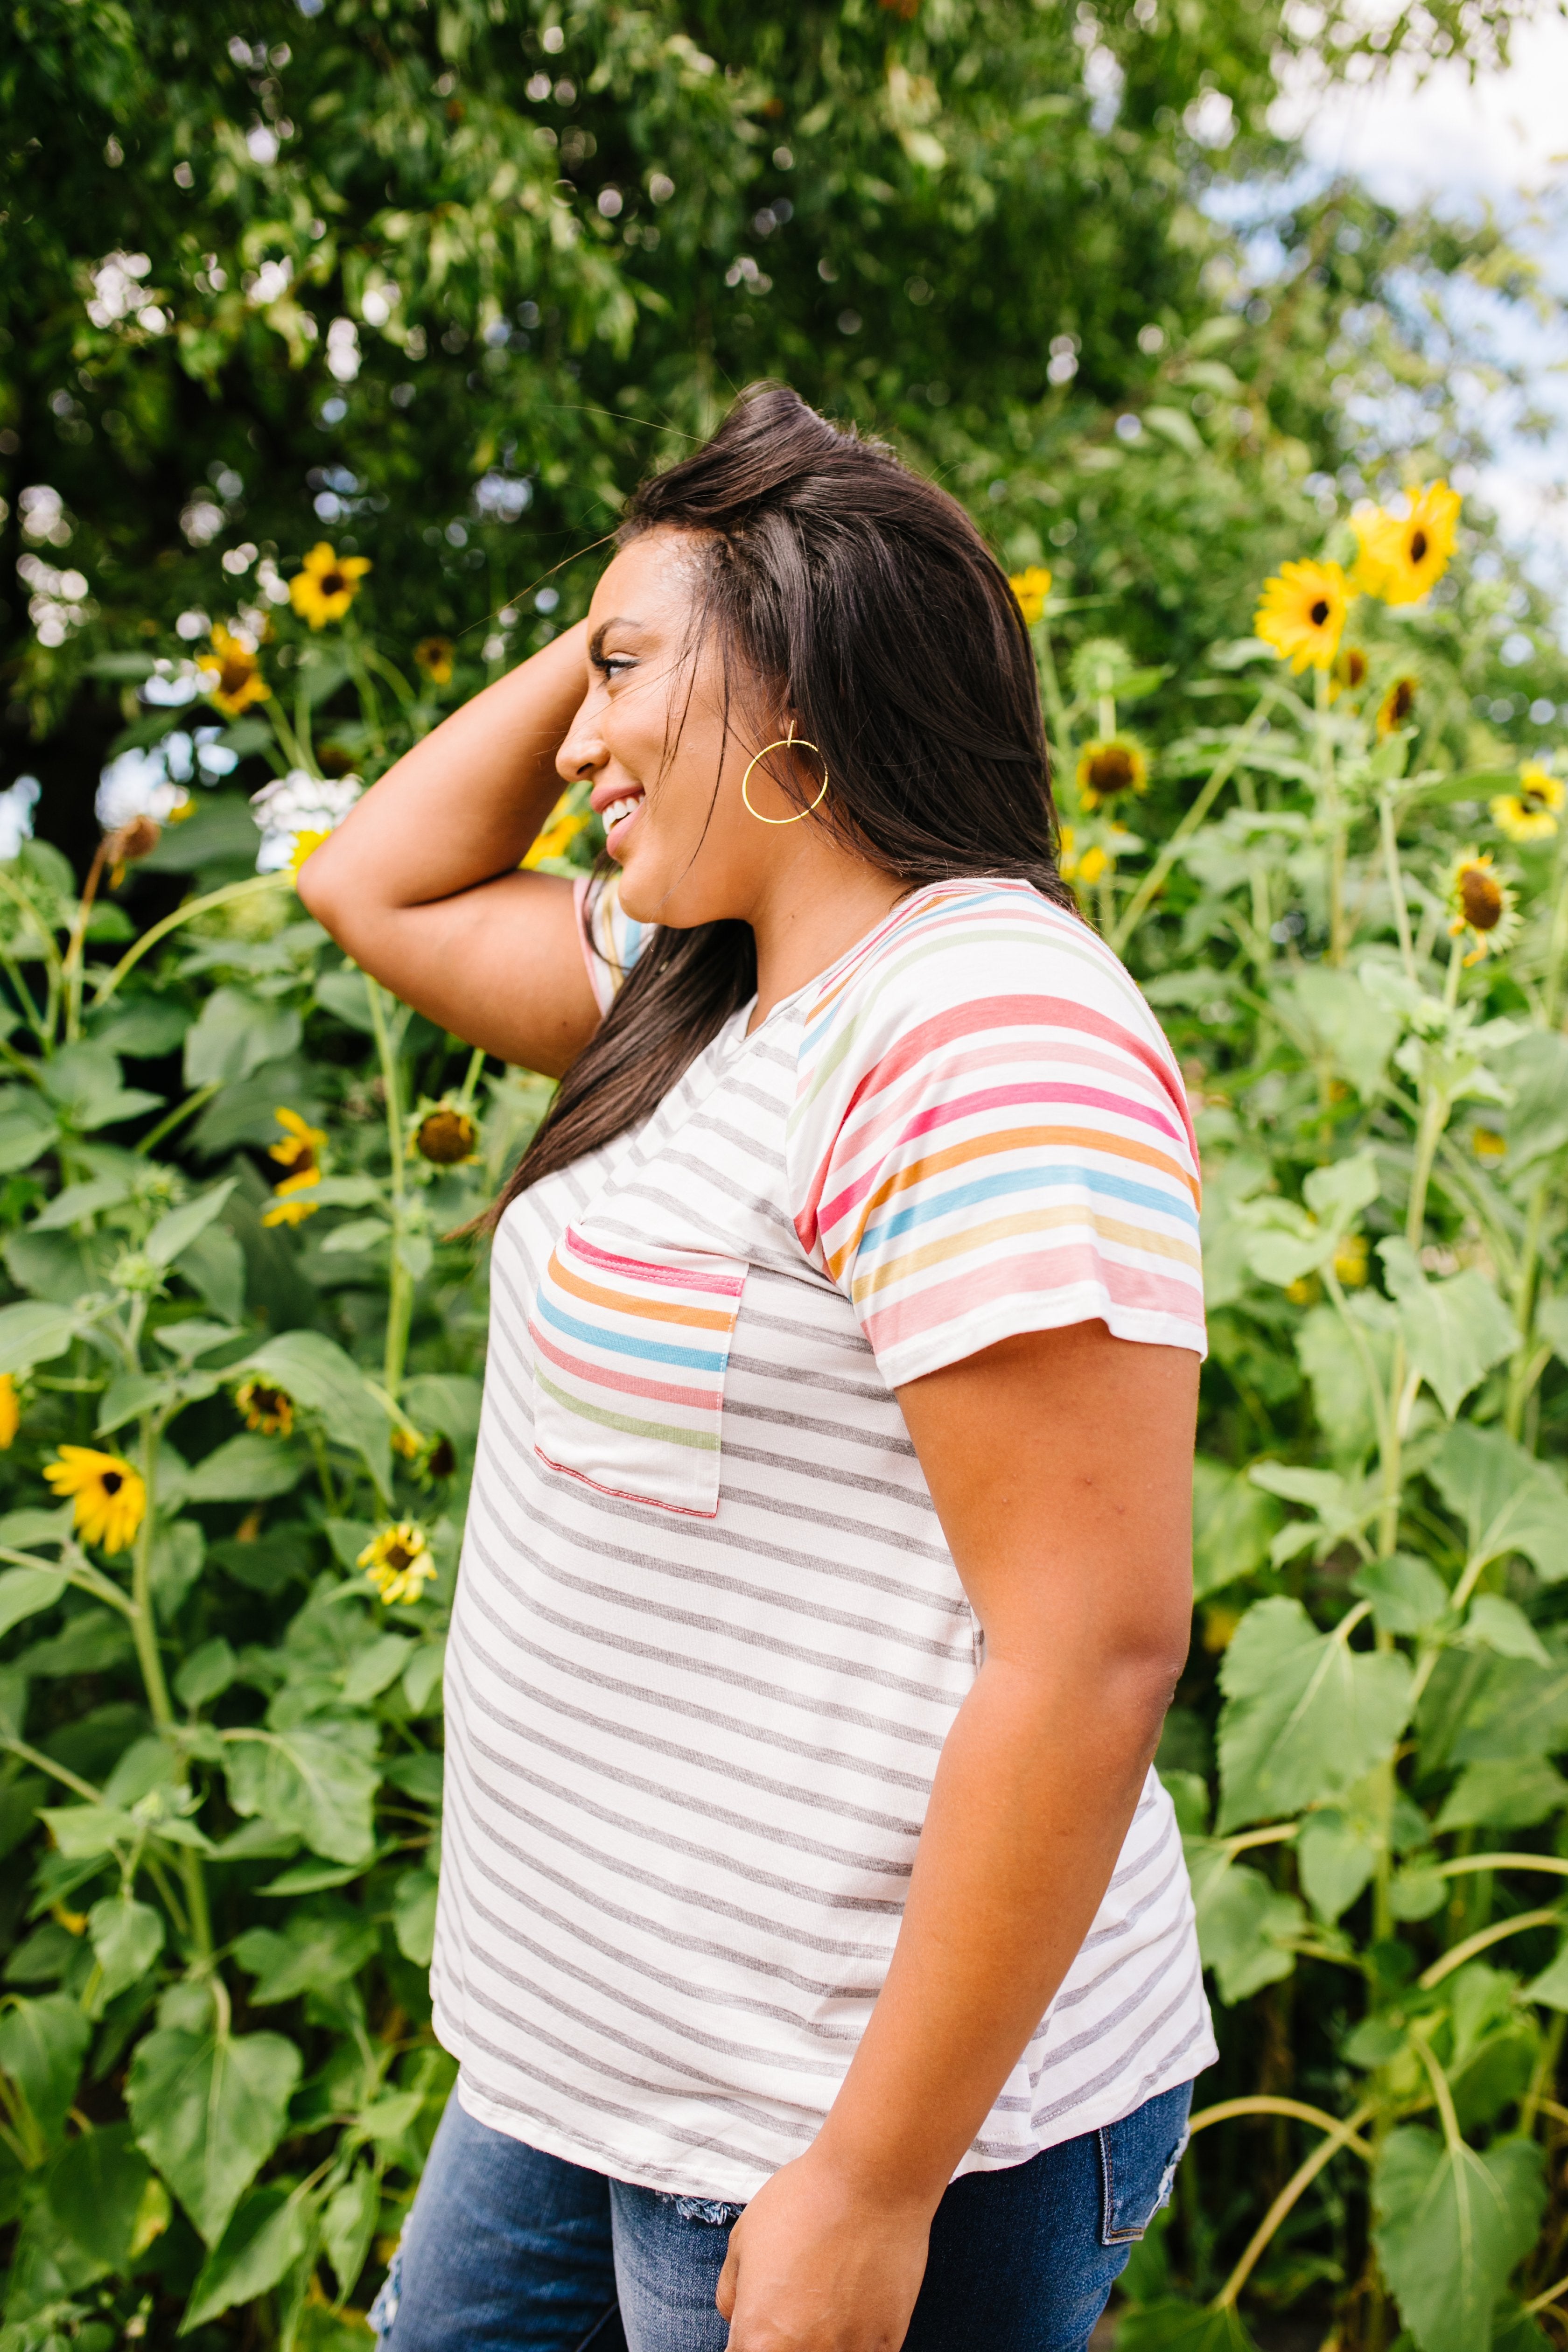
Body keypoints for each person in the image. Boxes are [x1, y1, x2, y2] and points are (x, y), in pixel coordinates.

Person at [299, 383, 1214, 2352]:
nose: (576, 733)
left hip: (835, 2106)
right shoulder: (704, 996)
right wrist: (665, 588)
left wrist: (871, 2186)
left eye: (623, 670)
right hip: (584, 2054)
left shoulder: (979, 1027)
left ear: (798, 663)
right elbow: (368, 881)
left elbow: (1096, 1645)